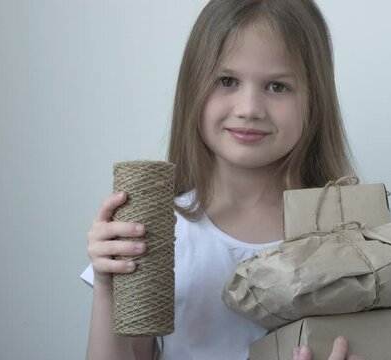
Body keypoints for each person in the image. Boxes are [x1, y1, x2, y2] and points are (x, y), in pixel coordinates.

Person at [82, 0, 365, 359]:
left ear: (315, 100)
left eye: (277, 87)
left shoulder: (349, 237)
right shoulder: (161, 233)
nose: (249, 108)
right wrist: (109, 286)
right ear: (192, 89)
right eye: (226, 81)